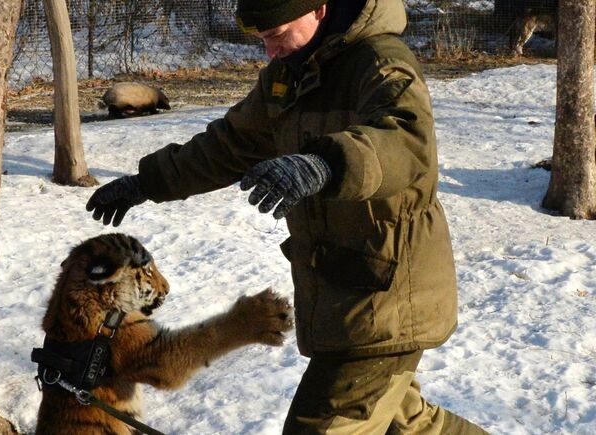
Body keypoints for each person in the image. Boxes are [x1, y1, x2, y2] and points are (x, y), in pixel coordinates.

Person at [86, 0, 488, 433]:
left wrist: (327, 163)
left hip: (389, 292)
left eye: (277, 36)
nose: (270, 51)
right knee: (406, 423)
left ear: (318, 8)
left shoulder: (380, 62)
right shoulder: (290, 74)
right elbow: (230, 144)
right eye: (262, 40)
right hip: (342, 285)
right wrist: (149, 182)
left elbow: (405, 140)